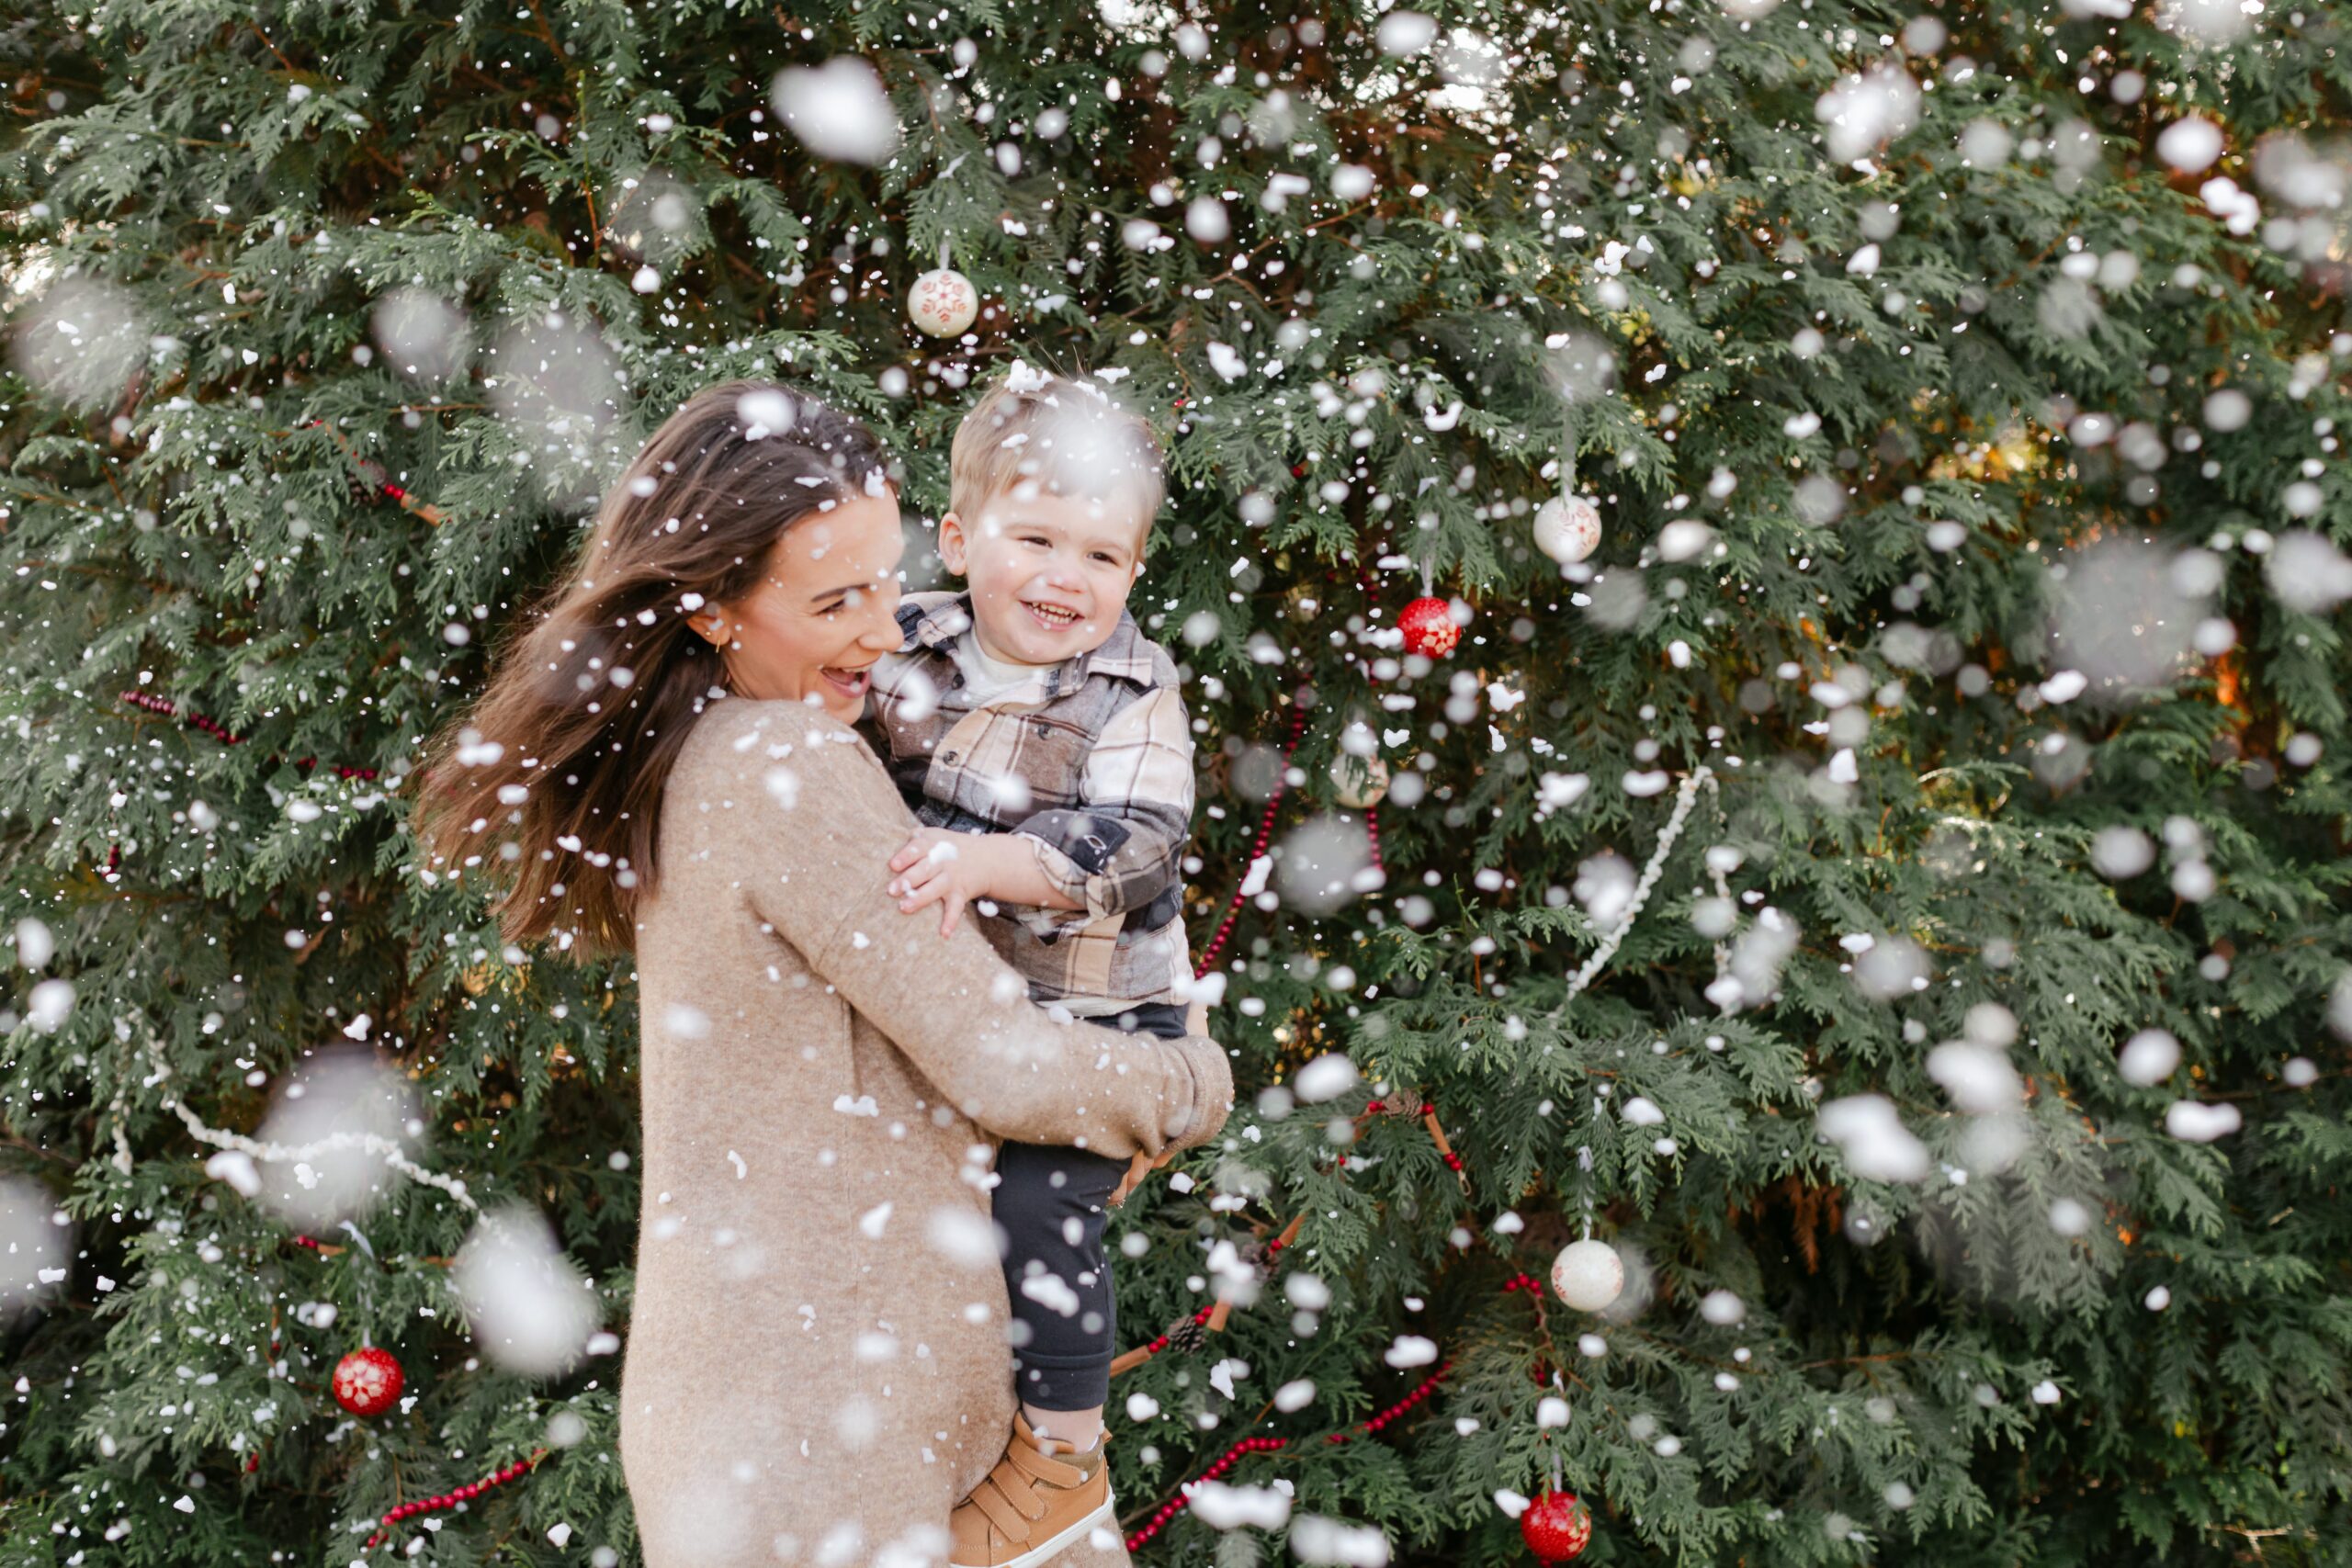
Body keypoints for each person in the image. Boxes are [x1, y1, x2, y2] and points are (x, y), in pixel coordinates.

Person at [416, 381, 1231, 1568]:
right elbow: (1002, 1062)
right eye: (837, 600)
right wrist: (1186, 1083)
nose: (892, 630)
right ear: (713, 613)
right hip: (816, 1434)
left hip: (788, 1417)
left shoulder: (719, 752)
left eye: (888, 581)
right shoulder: (783, 762)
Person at [862, 365, 1194, 1568]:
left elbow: (1138, 846)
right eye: (1036, 538)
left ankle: (1062, 1451)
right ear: (958, 537)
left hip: (1098, 1023)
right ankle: (916, 1430)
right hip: (953, 1014)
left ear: (1135, 572)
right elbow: (812, 737)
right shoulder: (903, 648)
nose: (1066, 578)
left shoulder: (1131, 691)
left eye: (1101, 557)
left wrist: (988, 862)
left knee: (1038, 1209)